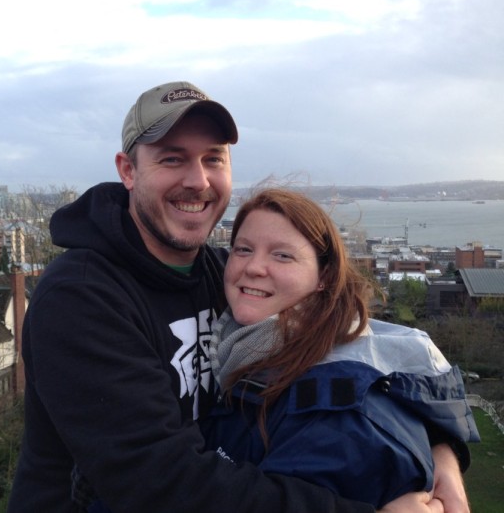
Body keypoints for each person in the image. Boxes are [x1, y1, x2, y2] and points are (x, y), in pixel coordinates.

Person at [7, 81, 470, 513]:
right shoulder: (82, 298)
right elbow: (160, 482)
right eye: (172, 159)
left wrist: (439, 454)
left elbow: (374, 355)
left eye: (214, 159)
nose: (198, 180)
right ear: (128, 171)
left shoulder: (228, 274)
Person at [199, 188, 479, 508]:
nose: (253, 267)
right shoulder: (250, 347)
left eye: (282, 255)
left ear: (324, 276)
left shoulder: (331, 412)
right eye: (243, 249)